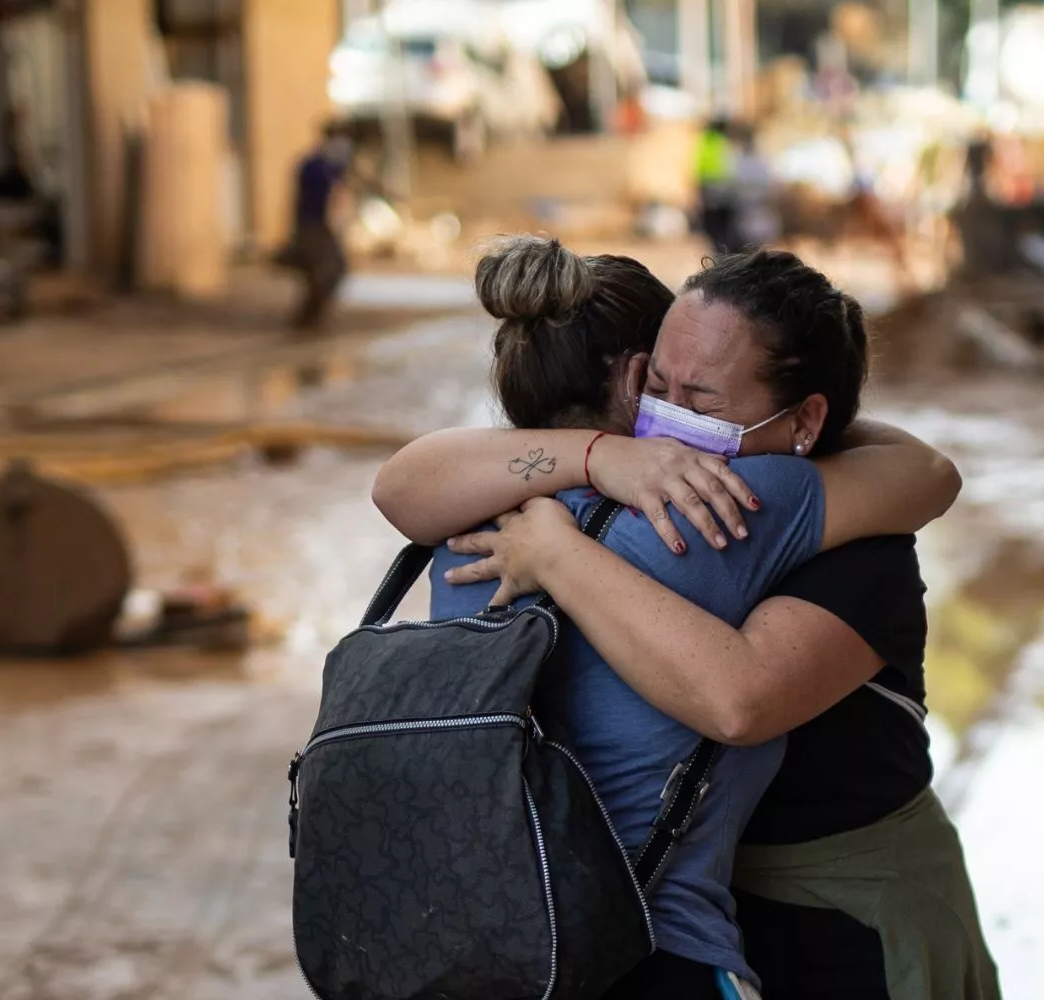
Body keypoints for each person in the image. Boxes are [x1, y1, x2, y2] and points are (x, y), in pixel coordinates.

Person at [375, 246, 999, 1000]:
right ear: (636, 377)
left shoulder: (822, 528)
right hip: (667, 923)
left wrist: (559, 550)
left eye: (700, 401)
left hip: (843, 922)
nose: (671, 419)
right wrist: (599, 457)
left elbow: (742, 697)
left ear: (805, 419)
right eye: (661, 390)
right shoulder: (663, 492)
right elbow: (402, 483)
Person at [279, 123, 353, 331]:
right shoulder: (313, 166)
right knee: (325, 271)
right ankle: (307, 318)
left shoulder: (332, 166)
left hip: (324, 228)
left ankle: (310, 318)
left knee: (328, 272)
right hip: (312, 227)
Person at [694, 118, 738, 252]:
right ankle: (722, 248)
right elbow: (730, 167)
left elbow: (698, 166)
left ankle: (717, 247)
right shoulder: (724, 143)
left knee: (712, 223)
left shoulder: (704, 142)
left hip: (709, 187)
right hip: (722, 188)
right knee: (723, 224)